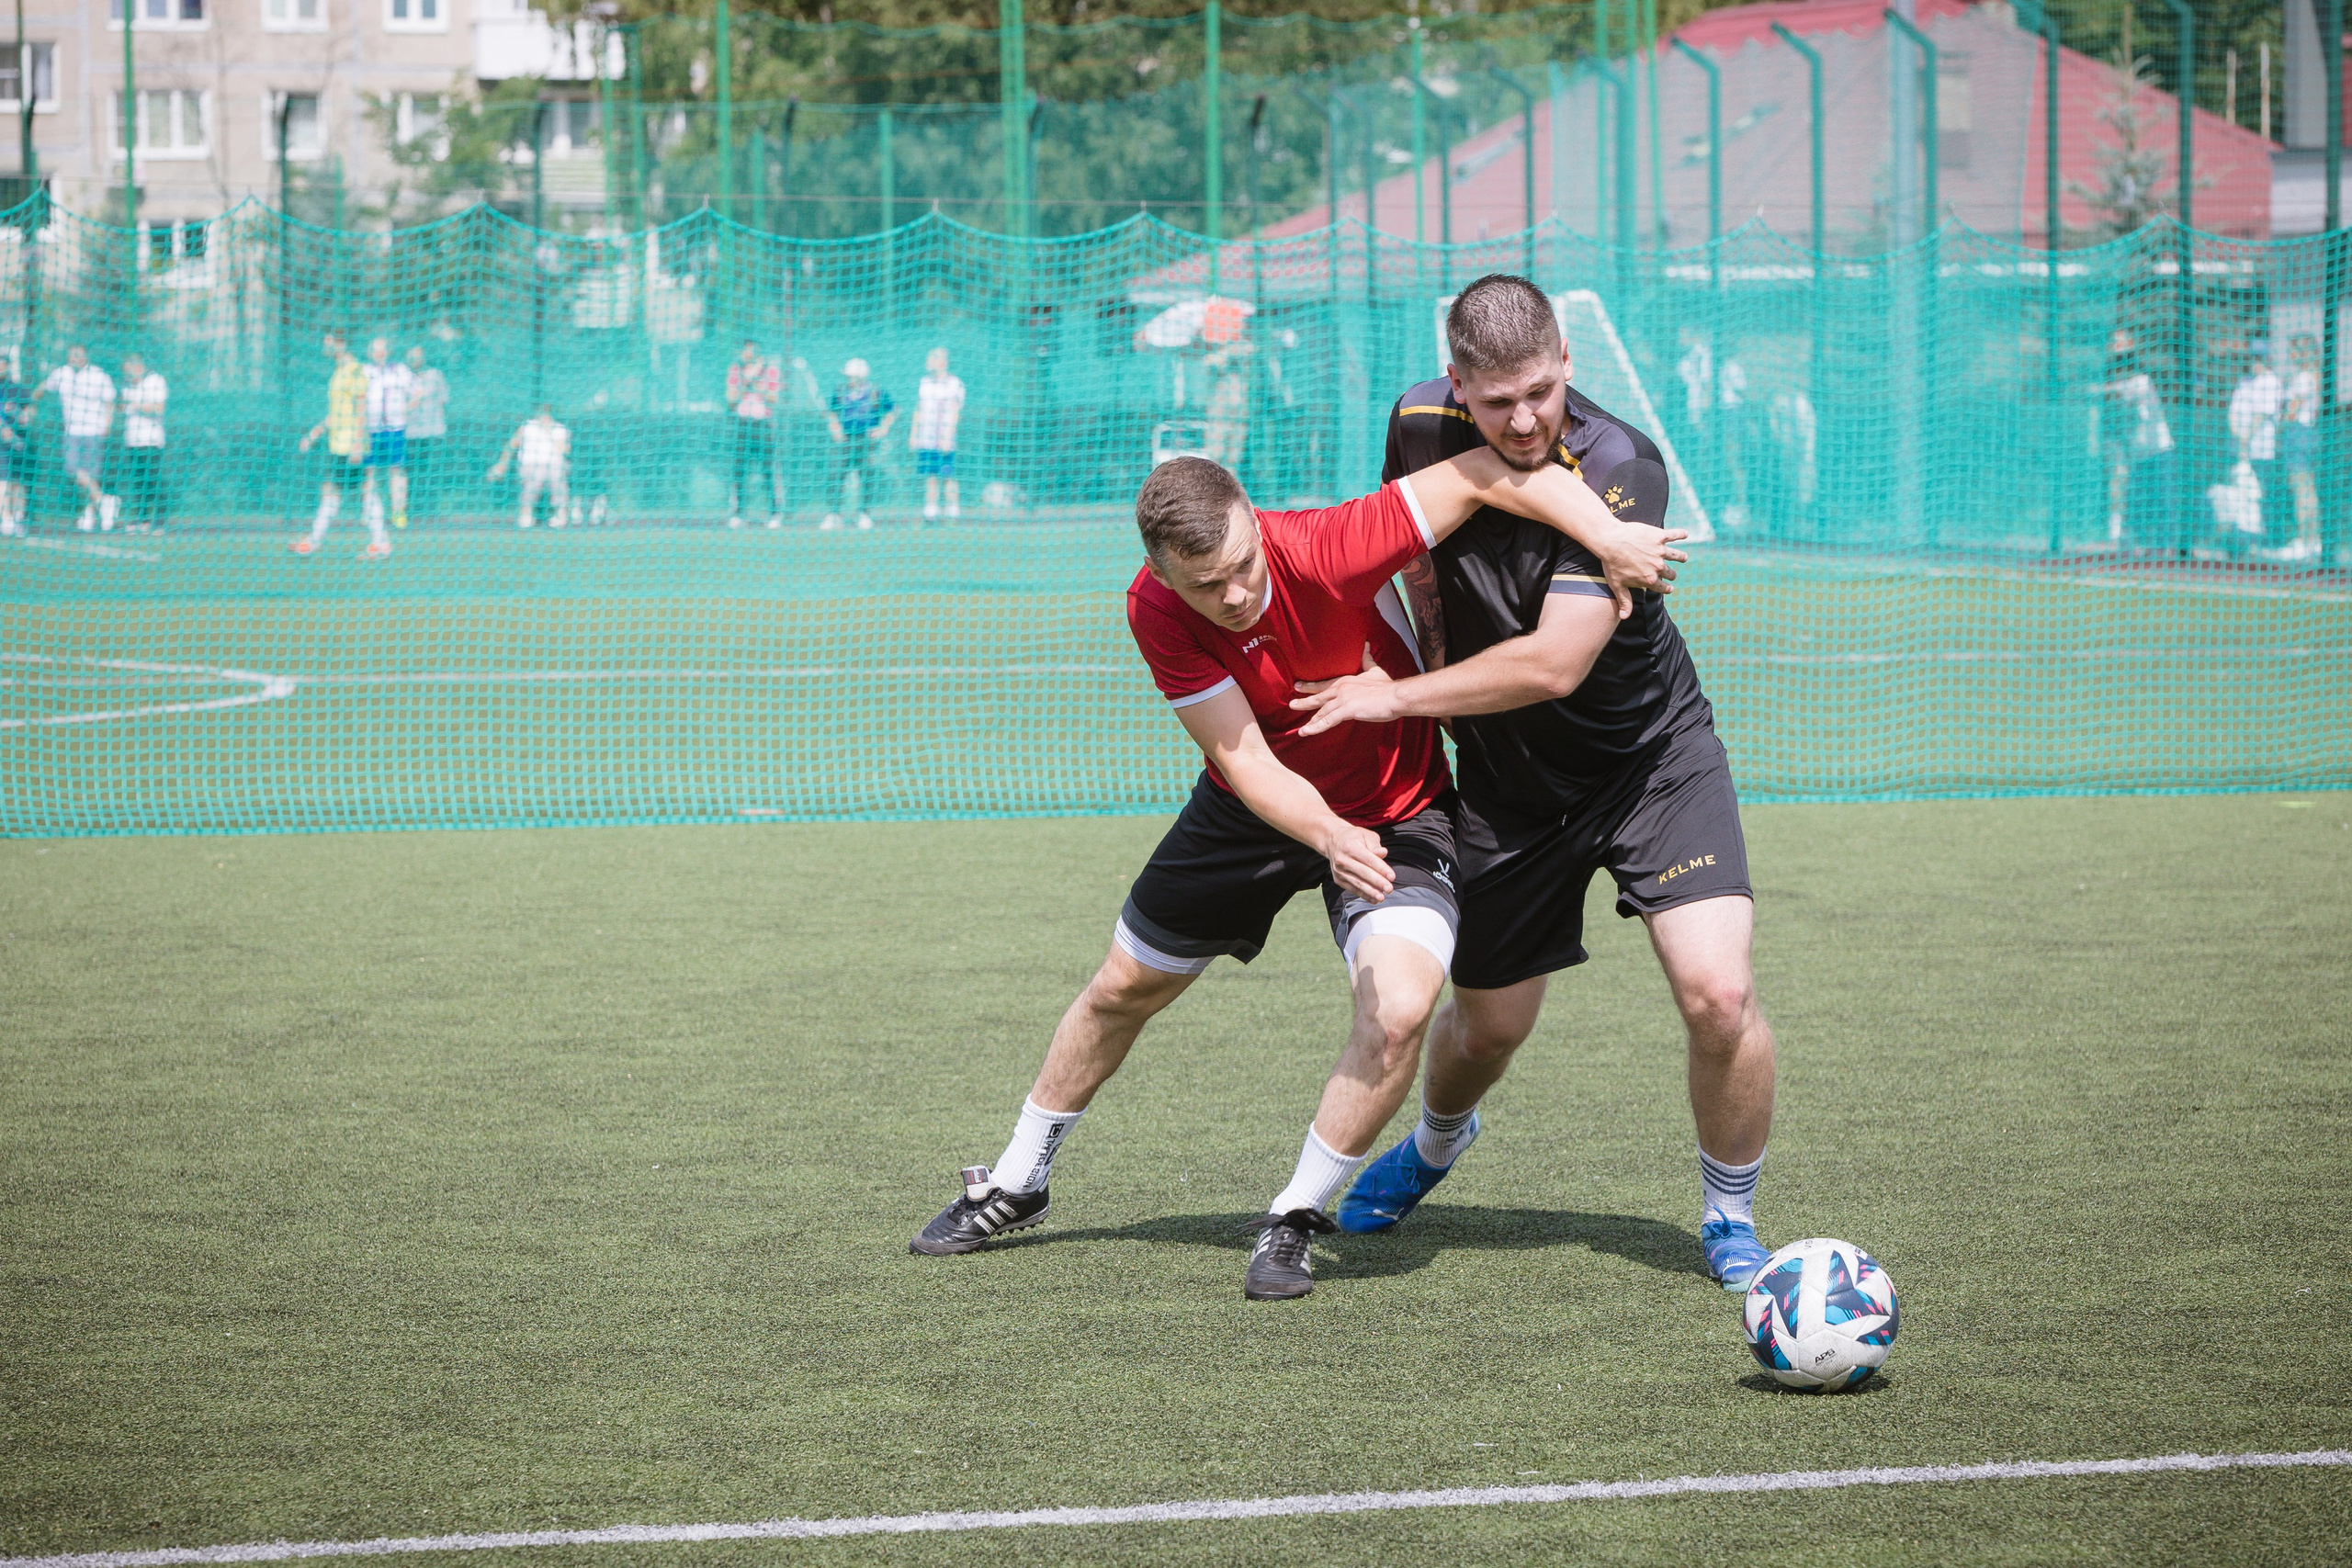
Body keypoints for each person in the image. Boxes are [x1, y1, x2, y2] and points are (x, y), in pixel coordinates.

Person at [910, 449, 1682, 1301]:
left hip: (1398, 810)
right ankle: (1020, 1179)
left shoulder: (1328, 544)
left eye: (1242, 567)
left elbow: (1482, 473)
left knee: (1398, 1013)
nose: (1234, 596)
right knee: (1120, 988)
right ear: (1163, 574)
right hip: (1252, 808)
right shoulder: (1156, 607)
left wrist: (1607, 533)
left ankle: (1295, 1217)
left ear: (1251, 514)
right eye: (1207, 586)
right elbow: (1243, 756)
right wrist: (1327, 832)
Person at [1295, 273, 1777, 1292]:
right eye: (1496, 399)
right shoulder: (1418, 419)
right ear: (1457, 385)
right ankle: (1433, 1145)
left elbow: (1555, 663)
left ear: (1567, 366)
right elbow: (1411, 554)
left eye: (1541, 394)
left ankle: (1729, 1210)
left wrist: (1397, 697)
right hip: (1510, 779)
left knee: (1718, 994)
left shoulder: (1620, 465)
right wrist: (1428, 685)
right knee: (1487, 1027)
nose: (1522, 420)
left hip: (1651, 762)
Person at [293, 332, 386, 559]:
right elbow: (337, 413)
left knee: (352, 492)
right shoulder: (338, 371)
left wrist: (357, 443)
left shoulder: (354, 369)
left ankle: (314, 542)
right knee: (358, 491)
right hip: (339, 444)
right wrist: (315, 433)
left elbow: (361, 406)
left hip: (350, 445)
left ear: (341, 344)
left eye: (329, 342)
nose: (325, 346)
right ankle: (380, 544)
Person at [2101, 329, 2175, 553]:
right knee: (2134, 501)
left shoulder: (2141, 382)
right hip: (2139, 455)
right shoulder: (2124, 384)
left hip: (2159, 450)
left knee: (2162, 499)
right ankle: (2134, 542)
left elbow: (2111, 393)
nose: (2118, 372)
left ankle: (2165, 546)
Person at [39, 344, 116, 533]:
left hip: (94, 431)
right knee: (75, 471)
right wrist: (30, 403)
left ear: (85, 357)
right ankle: (104, 501)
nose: (74, 359)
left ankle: (90, 513)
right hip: (72, 432)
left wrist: (107, 424)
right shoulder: (61, 373)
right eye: (71, 355)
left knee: (91, 475)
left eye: (78, 355)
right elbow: (43, 386)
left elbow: (110, 401)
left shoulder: (98, 375)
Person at [2225, 343, 2283, 554]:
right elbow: (2232, 412)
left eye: (2259, 359)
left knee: (2263, 495)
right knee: (2241, 495)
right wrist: (2238, 438)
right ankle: (2245, 541)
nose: (2255, 363)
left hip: (2262, 451)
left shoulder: (2271, 382)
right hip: (2241, 452)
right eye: (2253, 358)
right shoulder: (2244, 382)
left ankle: (2270, 543)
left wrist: (2245, 438)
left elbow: (2261, 414)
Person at [825, 357, 896, 531]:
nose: (849, 378)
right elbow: (831, 412)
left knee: (866, 476)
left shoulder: (874, 391)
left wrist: (883, 429)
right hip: (845, 439)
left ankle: (864, 514)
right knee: (836, 475)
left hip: (866, 439)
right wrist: (835, 429)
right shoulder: (841, 391)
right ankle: (834, 514)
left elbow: (892, 410)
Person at [358, 337, 415, 536]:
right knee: (369, 472)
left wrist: (404, 411)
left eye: (382, 349)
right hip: (371, 429)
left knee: (397, 471)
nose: (379, 353)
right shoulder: (365, 372)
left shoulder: (400, 370)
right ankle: (368, 513)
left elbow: (418, 392)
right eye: (375, 349)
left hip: (395, 429)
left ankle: (398, 512)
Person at [726, 339, 782, 529]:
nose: (745, 353)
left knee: (768, 470)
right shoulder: (735, 370)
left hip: (763, 424)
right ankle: (737, 513)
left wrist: (756, 383)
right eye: (743, 349)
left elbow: (773, 398)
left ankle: (775, 513)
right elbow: (731, 399)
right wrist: (745, 384)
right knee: (739, 470)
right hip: (742, 424)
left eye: (749, 350)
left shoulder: (770, 370)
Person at [488, 404, 571, 529]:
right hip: (531, 464)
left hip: (554, 464)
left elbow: (564, 449)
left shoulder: (560, 429)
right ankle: (526, 515)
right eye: (542, 412)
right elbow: (511, 445)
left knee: (558, 479)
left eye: (547, 412)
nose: (544, 415)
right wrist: (502, 464)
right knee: (533, 482)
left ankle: (561, 514)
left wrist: (548, 430)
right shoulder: (528, 426)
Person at [2278, 335, 2324, 564]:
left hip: (2299, 434)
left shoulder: (2303, 377)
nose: (2290, 355)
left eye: (2294, 351)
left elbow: (2292, 411)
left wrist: (2281, 428)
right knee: (2305, 489)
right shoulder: (2313, 376)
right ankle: (2310, 540)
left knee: (2302, 490)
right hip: (2308, 434)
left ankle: (2308, 541)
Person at [910, 347, 965, 523]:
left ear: (942, 362)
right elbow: (918, 409)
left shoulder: (954, 383)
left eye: (932, 358)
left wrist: (948, 436)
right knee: (930, 475)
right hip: (927, 438)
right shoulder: (924, 382)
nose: (928, 361)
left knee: (948, 475)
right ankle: (930, 513)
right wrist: (914, 434)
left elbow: (956, 412)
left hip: (945, 438)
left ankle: (952, 512)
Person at [117, 353, 169, 533]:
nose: (127, 375)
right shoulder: (127, 386)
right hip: (132, 441)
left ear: (138, 367)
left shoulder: (155, 381)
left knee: (154, 481)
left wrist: (134, 403)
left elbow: (158, 407)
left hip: (151, 440)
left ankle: (160, 520)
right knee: (139, 483)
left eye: (129, 370)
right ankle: (142, 519)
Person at [402, 345, 449, 525]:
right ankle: (412, 512)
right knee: (412, 473)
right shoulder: (404, 378)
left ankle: (431, 512)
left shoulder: (435, 375)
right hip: (411, 433)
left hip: (433, 432)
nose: (414, 360)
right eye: (411, 357)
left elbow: (444, 399)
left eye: (417, 357)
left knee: (432, 472)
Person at [0, 354, 32, 536]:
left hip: (18, 442)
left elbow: (28, 414)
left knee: (18, 481)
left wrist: (22, 417)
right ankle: (6, 518)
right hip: (1, 444)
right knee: (3, 480)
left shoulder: (17, 389)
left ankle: (18, 517)